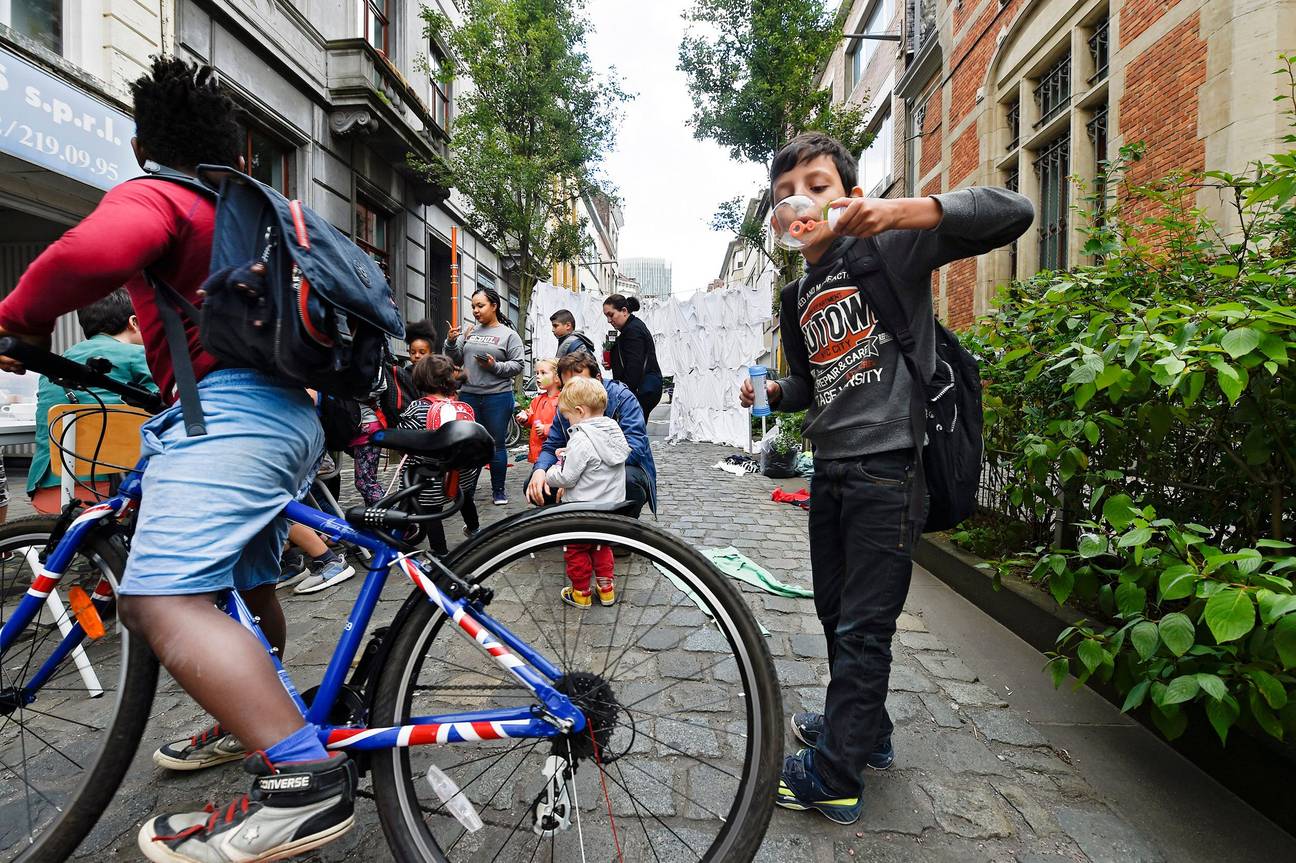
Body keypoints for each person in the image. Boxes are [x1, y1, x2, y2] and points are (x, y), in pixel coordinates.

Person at [0, 57, 355, 861]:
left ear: (139, 143)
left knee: (158, 600)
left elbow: (87, 256)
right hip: (290, 419)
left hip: (229, 419)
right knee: (243, 581)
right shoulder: (246, 208)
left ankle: (301, 780)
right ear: (233, 148)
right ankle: (252, 714)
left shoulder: (160, 195)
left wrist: (18, 319)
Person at [738, 132, 1032, 824]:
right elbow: (813, 382)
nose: (799, 202)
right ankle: (864, 731)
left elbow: (1012, 210)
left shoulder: (890, 246)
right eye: (784, 195)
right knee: (838, 615)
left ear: (850, 195)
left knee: (865, 628)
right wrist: (774, 395)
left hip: (890, 470)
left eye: (816, 185)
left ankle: (835, 777)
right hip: (830, 471)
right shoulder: (797, 292)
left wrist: (907, 212)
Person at [28, 289, 157, 514]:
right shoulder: (138, 355)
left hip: (49, 485)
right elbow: (171, 405)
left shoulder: (56, 364)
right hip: (110, 487)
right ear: (135, 322)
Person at [526, 352, 656, 518]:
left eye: (580, 383)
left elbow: (634, 450)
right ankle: (567, 525)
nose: (574, 392)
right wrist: (540, 471)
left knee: (629, 482)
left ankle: (620, 529)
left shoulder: (622, 398)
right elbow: (552, 445)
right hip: (577, 465)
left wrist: (576, 472)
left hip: (620, 467)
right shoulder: (568, 401)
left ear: (598, 378)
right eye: (568, 386)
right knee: (536, 483)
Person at [544, 377, 628, 608]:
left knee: (577, 549)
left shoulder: (581, 438)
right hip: (609, 509)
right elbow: (596, 460)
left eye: (569, 415)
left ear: (580, 411)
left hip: (582, 509)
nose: (569, 419)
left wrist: (552, 470)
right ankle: (606, 589)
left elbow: (567, 477)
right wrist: (569, 453)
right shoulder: (612, 432)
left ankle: (580, 592)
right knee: (602, 547)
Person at [444, 286, 523, 505]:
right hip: (468, 396)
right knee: (470, 444)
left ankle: (498, 490)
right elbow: (455, 359)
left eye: (480, 306)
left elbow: (518, 365)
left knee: (496, 444)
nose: (476, 311)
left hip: (498, 397)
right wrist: (451, 342)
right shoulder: (470, 331)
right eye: (473, 307)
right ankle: (467, 490)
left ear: (494, 306)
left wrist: (494, 366)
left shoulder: (509, 335)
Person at [398, 354, 481, 554]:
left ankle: (440, 551)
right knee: (465, 499)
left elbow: (405, 437)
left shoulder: (418, 408)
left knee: (431, 512)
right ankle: (475, 529)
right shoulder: (459, 405)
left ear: (420, 379)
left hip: (430, 474)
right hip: (461, 472)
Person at [604, 294, 663, 418]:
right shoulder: (632, 327)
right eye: (606, 316)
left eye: (611, 314)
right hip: (642, 389)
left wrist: (623, 394)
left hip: (639, 390)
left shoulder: (633, 331)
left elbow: (634, 366)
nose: (609, 320)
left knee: (632, 430)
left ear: (624, 311)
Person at [516, 358, 560, 468]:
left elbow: (564, 426)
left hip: (555, 455)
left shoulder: (562, 400)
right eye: (537, 373)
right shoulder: (537, 400)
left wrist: (546, 429)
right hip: (538, 453)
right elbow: (532, 417)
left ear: (556, 377)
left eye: (543, 373)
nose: (538, 376)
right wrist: (525, 418)